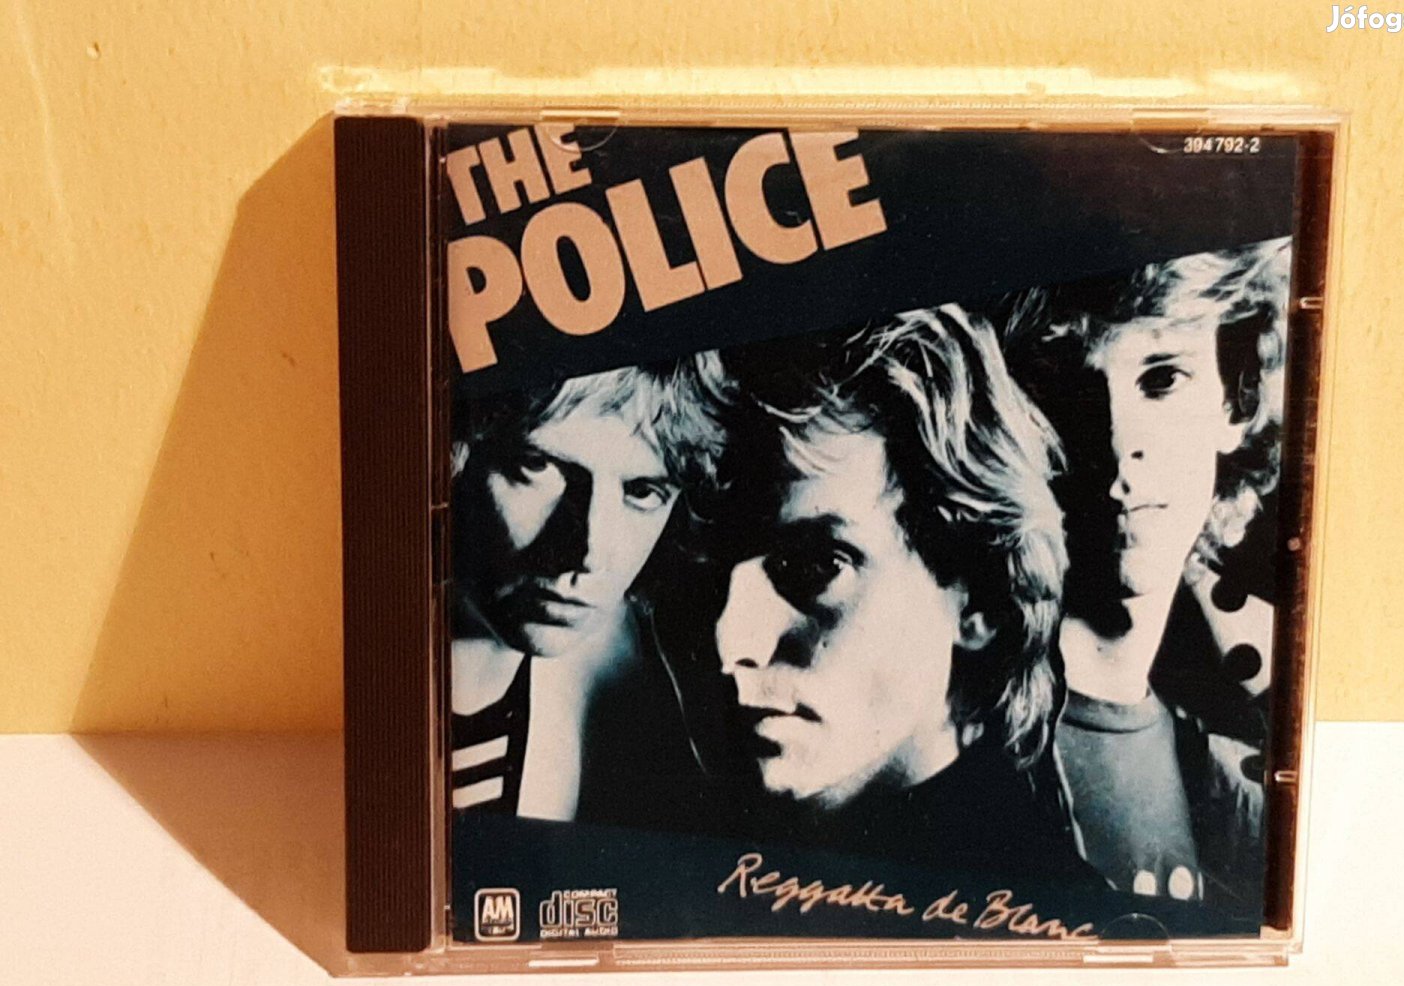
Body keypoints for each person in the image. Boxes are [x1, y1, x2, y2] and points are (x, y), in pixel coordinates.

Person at [668, 304, 1095, 882]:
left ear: (981, 597)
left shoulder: (1059, 916)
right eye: (700, 573)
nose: (730, 641)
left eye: (817, 566)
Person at [991, 239, 1291, 911]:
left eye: (1161, 380)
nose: (1117, 441)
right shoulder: (946, 734)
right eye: (1066, 389)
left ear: (1237, 400)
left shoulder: (1236, 775)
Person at [448, 358, 725, 825]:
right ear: (454, 457)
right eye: (537, 466)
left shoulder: (631, 685)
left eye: (642, 491)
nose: (589, 551)